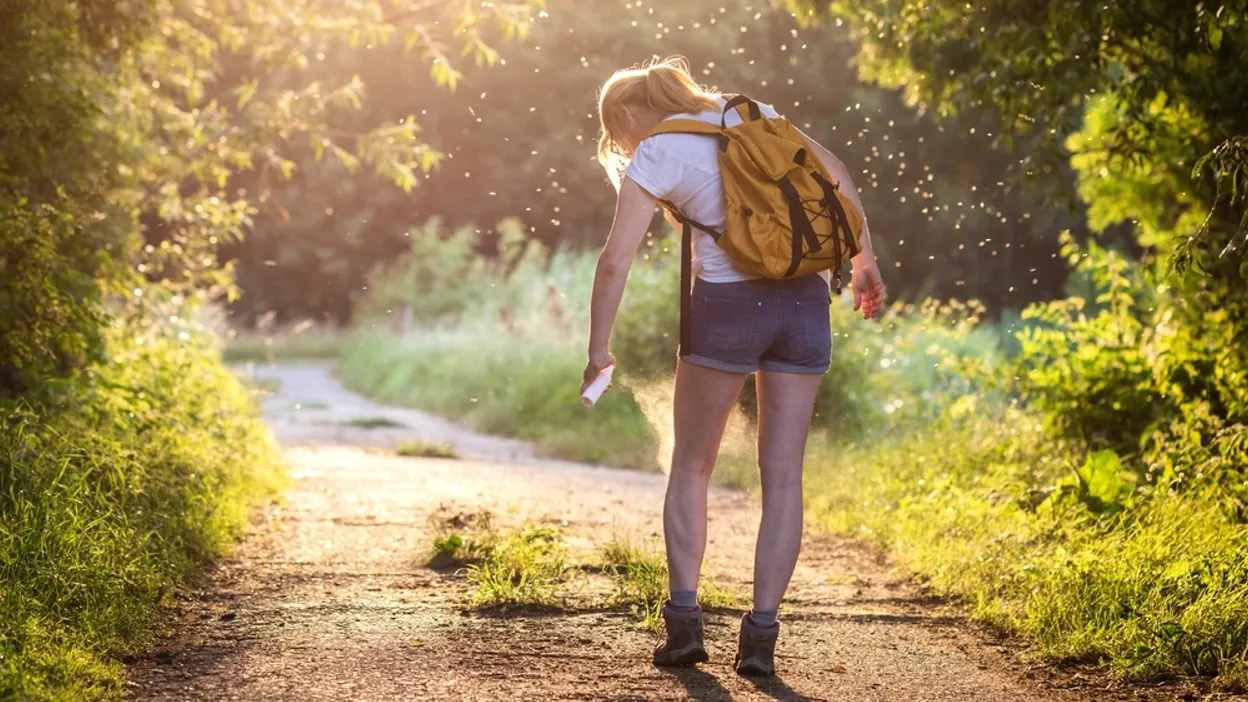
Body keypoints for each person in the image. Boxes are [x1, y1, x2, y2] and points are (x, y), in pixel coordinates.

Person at [581, 56, 886, 677]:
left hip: (725, 307)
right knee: (783, 479)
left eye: (618, 135)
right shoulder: (752, 114)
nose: (622, 146)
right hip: (804, 303)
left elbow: (615, 262)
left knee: (692, 465)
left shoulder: (659, 151)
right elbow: (838, 173)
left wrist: (597, 350)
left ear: (625, 116)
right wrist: (863, 262)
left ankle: (686, 628)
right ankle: (761, 639)